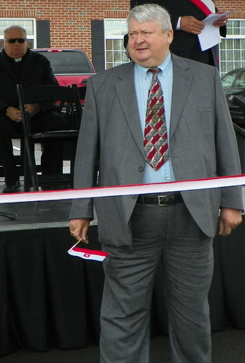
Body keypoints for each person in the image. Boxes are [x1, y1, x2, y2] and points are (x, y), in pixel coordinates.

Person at [69, 4, 243, 363]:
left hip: (191, 215)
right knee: (122, 316)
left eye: (146, 32)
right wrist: (80, 210)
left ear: (168, 36)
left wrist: (232, 201)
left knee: (192, 316)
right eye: (133, 34)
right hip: (129, 217)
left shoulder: (204, 77)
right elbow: (87, 153)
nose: (138, 40)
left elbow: (225, 142)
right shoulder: (103, 85)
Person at [0, 25, 67, 193]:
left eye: (21, 40)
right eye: (12, 41)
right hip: (6, 116)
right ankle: (11, 178)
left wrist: (37, 107)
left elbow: (52, 90)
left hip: (35, 116)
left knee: (58, 122)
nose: (16, 44)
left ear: (27, 42)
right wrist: (6, 109)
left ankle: (51, 177)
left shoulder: (40, 62)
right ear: (4, 42)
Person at [130, 0, 228, 67]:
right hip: (179, 57)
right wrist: (178, 22)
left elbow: (202, 11)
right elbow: (139, 14)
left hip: (208, 56)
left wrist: (218, 18)